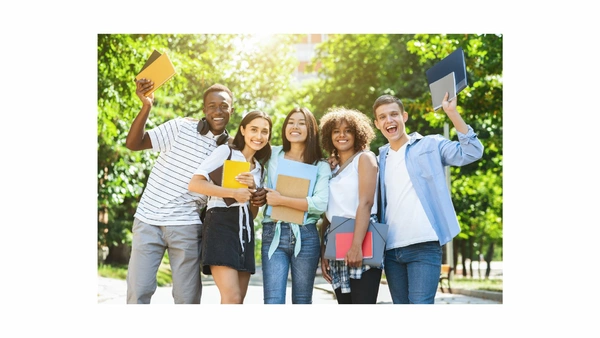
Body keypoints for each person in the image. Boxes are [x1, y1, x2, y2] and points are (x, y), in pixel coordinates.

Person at [124, 80, 235, 304]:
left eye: (223, 106)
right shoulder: (180, 127)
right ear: (204, 110)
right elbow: (134, 143)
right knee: (138, 292)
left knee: (188, 299)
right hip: (148, 220)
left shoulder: (230, 150)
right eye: (212, 106)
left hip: (186, 225)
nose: (218, 111)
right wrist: (146, 106)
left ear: (231, 110)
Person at [373, 92, 484, 304]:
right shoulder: (379, 160)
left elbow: (472, 152)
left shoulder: (430, 145)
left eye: (394, 114)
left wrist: (452, 112)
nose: (389, 120)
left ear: (404, 117)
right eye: (383, 117)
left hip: (424, 245)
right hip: (391, 251)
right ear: (377, 124)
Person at [188, 110, 272, 304]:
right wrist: (232, 193)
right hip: (220, 224)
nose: (259, 136)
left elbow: (252, 213)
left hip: (245, 231)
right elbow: (195, 183)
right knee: (232, 298)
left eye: (264, 132)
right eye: (253, 129)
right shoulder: (227, 152)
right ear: (242, 130)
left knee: (238, 300)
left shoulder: (260, 168)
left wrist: (254, 192)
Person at [260, 107, 331, 304]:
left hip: (306, 235)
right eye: (291, 122)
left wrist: (281, 200)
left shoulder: (321, 165)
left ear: (311, 129)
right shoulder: (272, 154)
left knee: (302, 301)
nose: (295, 127)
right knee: (273, 300)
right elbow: (245, 146)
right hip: (273, 232)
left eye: (301, 123)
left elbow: (320, 204)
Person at [318, 107, 382, 304]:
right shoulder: (330, 167)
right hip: (336, 236)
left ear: (358, 133)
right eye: (336, 131)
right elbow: (327, 212)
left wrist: (356, 245)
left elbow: (366, 203)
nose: (342, 135)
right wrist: (324, 251)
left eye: (348, 130)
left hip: (363, 234)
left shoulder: (365, 158)